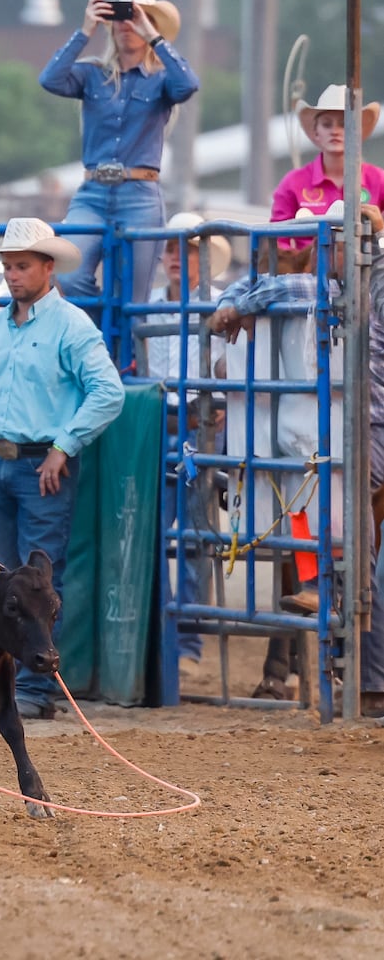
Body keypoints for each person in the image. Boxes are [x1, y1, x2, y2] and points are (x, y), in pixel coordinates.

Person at [209, 202, 384, 715]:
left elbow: (289, 288)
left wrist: (235, 304)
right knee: (312, 487)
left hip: (358, 422)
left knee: (327, 499)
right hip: (337, 419)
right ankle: (345, 649)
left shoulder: (335, 287)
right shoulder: (342, 286)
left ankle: (347, 627)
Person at [0, 218, 125, 719]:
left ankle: (34, 689)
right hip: (1, 460)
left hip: (38, 466)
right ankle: (12, 685)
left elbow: (107, 391)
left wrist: (63, 446)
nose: (12, 275)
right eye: (7, 266)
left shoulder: (70, 325)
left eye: (22, 266)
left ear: (48, 268)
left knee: (34, 580)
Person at [39, 0, 198, 306]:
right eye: (121, 16)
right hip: (92, 194)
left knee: (132, 300)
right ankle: (99, 338)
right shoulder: (92, 73)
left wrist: (153, 35)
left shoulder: (161, 79)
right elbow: (50, 79)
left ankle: (125, 355)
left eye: (136, 16)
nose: (127, 24)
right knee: (68, 275)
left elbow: (189, 84)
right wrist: (85, 30)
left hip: (140, 196)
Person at [141, 213, 231, 673]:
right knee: (157, 534)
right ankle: (171, 638)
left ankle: (188, 642)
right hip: (162, 421)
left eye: (188, 250)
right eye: (172, 249)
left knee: (193, 535)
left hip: (196, 425)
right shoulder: (151, 303)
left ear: (203, 258)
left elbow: (231, 369)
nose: (177, 258)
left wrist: (223, 401)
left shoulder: (218, 304)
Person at [270, 84, 384, 247]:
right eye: (327, 124)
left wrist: (380, 229)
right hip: (309, 272)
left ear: (357, 132)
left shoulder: (379, 180)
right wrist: (303, 265)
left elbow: (383, 247)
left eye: (344, 124)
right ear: (316, 132)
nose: (335, 131)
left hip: (368, 271)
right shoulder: (292, 183)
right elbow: (277, 245)